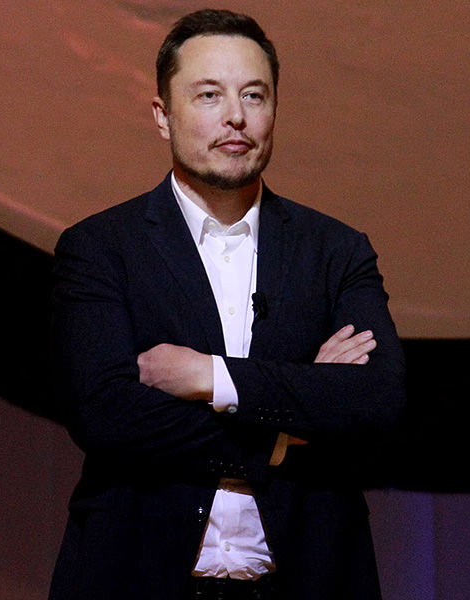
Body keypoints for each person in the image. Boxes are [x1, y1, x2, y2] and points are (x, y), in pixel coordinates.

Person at [49, 9, 406, 599]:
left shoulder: (336, 250)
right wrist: (288, 432)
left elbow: (376, 397)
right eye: (209, 94)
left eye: (254, 95)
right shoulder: (101, 247)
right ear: (163, 115)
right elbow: (105, 413)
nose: (235, 115)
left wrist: (210, 377)